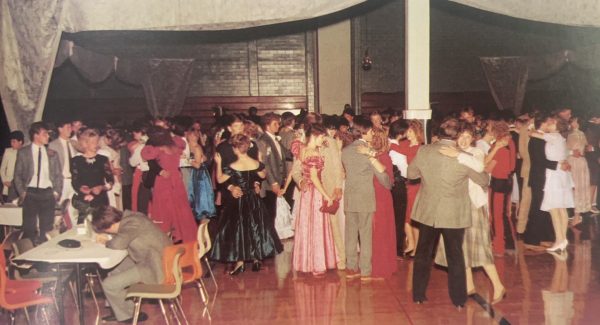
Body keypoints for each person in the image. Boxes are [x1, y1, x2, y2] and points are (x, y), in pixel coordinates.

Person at [408, 118, 489, 308]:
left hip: (428, 211)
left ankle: (418, 295)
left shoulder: (424, 150)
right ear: (458, 135)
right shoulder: (462, 157)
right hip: (453, 213)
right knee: (455, 256)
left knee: (422, 254)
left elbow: (411, 174)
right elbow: (484, 181)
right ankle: (458, 300)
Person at [435, 123, 505, 304]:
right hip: (456, 206)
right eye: (461, 136)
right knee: (461, 247)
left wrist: (457, 154)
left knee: (480, 248)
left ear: (473, 138)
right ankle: (468, 285)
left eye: (468, 137)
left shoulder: (476, 152)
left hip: (473, 206)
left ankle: (498, 285)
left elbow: (479, 167)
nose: (464, 140)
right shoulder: (450, 151)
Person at [211, 134, 282, 275]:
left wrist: (218, 163)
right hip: (253, 199)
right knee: (254, 227)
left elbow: (219, 180)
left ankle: (240, 263)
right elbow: (262, 175)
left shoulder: (232, 165)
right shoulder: (254, 163)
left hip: (239, 201)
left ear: (236, 149)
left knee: (239, 231)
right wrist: (260, 163)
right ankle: (256, 260)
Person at [93, 205, 171, 323]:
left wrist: (105, 241)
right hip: (155, 260)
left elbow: (117, 244)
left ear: (111, 225)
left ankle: (129, 316)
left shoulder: (132, 223)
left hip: (155, 267)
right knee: (114, 267)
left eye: (105, 230)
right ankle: (121, 309)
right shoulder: (132, 217)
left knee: (109, 285)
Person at [341, 117, 391, 280]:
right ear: (364, 132)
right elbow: (384, 178)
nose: (372, 134)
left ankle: (351, 268)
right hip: (365, 198)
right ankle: (366, 271)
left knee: (350, 235)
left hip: (349, 197)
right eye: (370, 131)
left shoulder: (345, 151)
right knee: (365, 235)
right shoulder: (368, 151)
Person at [291, 124, 337, 276]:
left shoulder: (302, 149)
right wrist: (326, 195)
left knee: (306, 225)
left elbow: (298, 172)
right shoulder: (313, 153)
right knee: (316, 226)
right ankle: (316, 263)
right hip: (314, 193)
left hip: (305, 194)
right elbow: (315, 178)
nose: (323, 140)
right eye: (322, 136)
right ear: (315, 135)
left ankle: (306, 262)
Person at [141, 127, 198, 242]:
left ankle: (171, 236)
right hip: (172, 178)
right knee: (174, 207)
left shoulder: (159, 148)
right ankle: (176, 235)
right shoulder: (174, 145)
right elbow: (153, 163)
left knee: (168, 207)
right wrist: (162, 171)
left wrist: (162, 171)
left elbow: (151, 162)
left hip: (166, 180)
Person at [13, 122, 63, 242]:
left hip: (47, 194)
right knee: (28, 227)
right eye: (45, 134)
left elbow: (58, 175)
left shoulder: (52, 154)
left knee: (47, 228)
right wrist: (22, 192)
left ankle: (44, 254)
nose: (48, 137)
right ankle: (29, 254)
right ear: (36, 135)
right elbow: (17, 175)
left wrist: (56, 192)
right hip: (29, 194)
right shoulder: (23, 152)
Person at [531, 120, 574, 252]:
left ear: (556, 126)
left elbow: (532, 133)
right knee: (561, 208)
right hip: (561, 174)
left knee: (554, 208)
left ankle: (559, 239)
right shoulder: (561, 137)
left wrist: (529, 126)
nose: (549, 123)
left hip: (555, 175)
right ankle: (562, 239)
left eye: (552, 122)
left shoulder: (554, 136)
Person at [361, 127, 397, 278]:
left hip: (380, 196)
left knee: (380, 230)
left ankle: (380, 267)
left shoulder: (383, 157)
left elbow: (388, 181)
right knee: (376, 230)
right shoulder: (377, 155)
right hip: (375, 194)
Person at [486, 120, 517, 256]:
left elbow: (488, 168)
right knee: (505, 214)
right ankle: (510, 244)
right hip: (508, 181)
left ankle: (498, 247)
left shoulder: (498, 147)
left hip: (498, 182)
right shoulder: (511, 143)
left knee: (496, 215)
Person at [71, 128, 115, 223]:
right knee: (84, 228)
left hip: (101, 200)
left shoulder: (103, 159)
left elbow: (111, 180)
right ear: (85, 143)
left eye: (97, 141)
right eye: (93, 142)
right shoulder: (76, 161)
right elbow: (75, 181)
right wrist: (81, 188)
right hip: (84, 200)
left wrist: (103, 187)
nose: (96, 144)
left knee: (102, 227)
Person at [257, 113, 290, 227]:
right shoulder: (263, 140)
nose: (278, 126)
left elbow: (286, 154)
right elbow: (265, 164)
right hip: (269, 183)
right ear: (267, 125)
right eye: (275, 124)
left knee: (274, 212)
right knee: (269, 213)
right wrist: (273, 182)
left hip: (279, 179)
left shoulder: (275, 139)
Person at [398, 120, 423, 257]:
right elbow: (396, 147)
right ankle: (412, 244)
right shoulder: (404, 144)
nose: (408, 134)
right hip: (407, 184)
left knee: (413, 217)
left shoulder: (420, 148)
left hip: (417, 185)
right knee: (406, 217)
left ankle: (416, 248)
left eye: (410, 131)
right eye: (407, 131)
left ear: (417, 132)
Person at [388, 120, 409, 258]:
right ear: (401, 134)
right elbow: (406, 172)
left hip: (387, 186)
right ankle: (397, 250)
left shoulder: (386, 144)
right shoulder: (398, 151)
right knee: (399, 219)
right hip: (398, 185)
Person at [566, 117, 591, 225]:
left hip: (579, 162)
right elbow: (566, 149)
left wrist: (585, 149)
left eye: (577, 120)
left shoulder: (580, 134)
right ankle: (574, 213)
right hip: (573, 162)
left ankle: (577, 214)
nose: (577, 123)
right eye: (574, 121)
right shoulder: (569, 134)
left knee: (579, 187)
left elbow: (583, 148)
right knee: (573, 187)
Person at [187, 129, 216, 220]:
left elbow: (198, 165)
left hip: (199, 174)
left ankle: (202, 213)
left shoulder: (197, 148)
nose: (193, 137)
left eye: (195, 136)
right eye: (191, 135)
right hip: (193, 172)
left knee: (200, 194)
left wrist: (187, 160)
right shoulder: (187, 146)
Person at [1, 131, 24, 202]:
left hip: (20, 185)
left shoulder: (25, 152)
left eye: (14, 142)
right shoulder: (8, 151)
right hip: (8, 184)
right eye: (11, 142)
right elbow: (2, 168)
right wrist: (5, 181)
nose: (11, 144)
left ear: (20, 142)